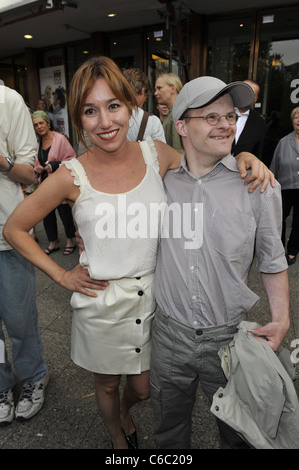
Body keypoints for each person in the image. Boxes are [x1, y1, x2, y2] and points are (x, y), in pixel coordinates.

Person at [3, 58, 273, 449]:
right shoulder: (70, 174)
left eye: (113, 106)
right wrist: (61, 275)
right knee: (108, 384)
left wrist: (242, 158)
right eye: (90, 111)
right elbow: (14, 228)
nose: (105, 121)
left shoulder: (157, 154)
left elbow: (206, 174)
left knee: (144, 389)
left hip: (158, 302)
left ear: (130, 106)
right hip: (102, 303)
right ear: (79, 118)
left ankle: (129, 410)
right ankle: (118, 433)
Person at [150, 76, 289, 449]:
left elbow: (273, 259)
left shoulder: (258, 185)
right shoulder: (159, 183)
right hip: (169, 336)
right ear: (182, 126)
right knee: (167, 429)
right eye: (211, 117)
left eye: (230, 116)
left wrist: (281, 319)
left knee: (239, 433)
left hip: (229, 338)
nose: (225, 124)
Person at [0, 85, 48, 425]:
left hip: (7, 234)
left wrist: (0, 161)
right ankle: (1, 385)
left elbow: (29, 172)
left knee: (19, 320)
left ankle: (33, 378)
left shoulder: (9, 101)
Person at [32, 110, 77, 255]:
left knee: (65, 213)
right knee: (47, 214)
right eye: (35, 125)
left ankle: (71, 240)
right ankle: (54, 242)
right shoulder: (37, 143)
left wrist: (52, 165)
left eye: (41, 123)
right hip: (45, 184)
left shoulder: (60, 139)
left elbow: (72, 159)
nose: (39, 126)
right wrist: (37, 168)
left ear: (47, 122)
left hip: (60, 183)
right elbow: (35, 161)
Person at [270, 107, 299, 265]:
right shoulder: (283, 141)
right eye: (296, 117)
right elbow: (274, 165)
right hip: (285, 187)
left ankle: (293, 251)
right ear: (292, 120)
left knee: (298, 223)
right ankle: (279, 250)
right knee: (279, 219)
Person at [123, 68, 166, 142]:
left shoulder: (110, 115)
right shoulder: (153, 122)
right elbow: (160, 152)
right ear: (143, 90)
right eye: (146, 96)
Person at [231, 79, 266, 159]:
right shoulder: (221, 112)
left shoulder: (259, 123)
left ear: (256, 99)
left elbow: (257, 153)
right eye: (245, 91)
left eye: (252, 94)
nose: (247, 96)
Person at [154, 73, 183, 153]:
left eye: (159, 88)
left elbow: (178, 151)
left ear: (173, 89)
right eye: (156, 89)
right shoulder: (175, 112)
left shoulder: (177, 114)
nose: (155, 93)